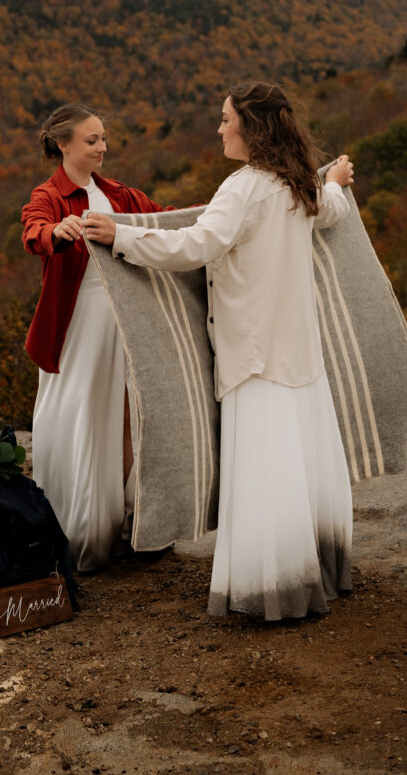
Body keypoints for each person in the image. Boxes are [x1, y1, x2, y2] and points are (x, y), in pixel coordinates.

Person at [84, 81, 354, 620]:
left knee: (265, 469)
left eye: (226, 119)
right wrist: (337, 182)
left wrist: (121, 237)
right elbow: (333, 211)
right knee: (297, 465)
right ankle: (319, 571)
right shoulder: (298, 184)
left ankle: (272, 586)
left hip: (253, 352)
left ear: (251, 128)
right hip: (297, 349)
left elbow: (196, 246)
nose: (220, 127)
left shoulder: (243, 187)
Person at [21, 103, 175, 572]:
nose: (103, 147)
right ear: (64, 145)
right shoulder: (48, 194)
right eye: (92, 140)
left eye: (104, 138)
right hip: (79, 325)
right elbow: (33, 232)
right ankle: (82, 530)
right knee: (81, 413)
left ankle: (131, 523)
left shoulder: (120, 194)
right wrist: (57, 231)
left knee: (129, 417)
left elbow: (166, 221)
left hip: (126, 320)